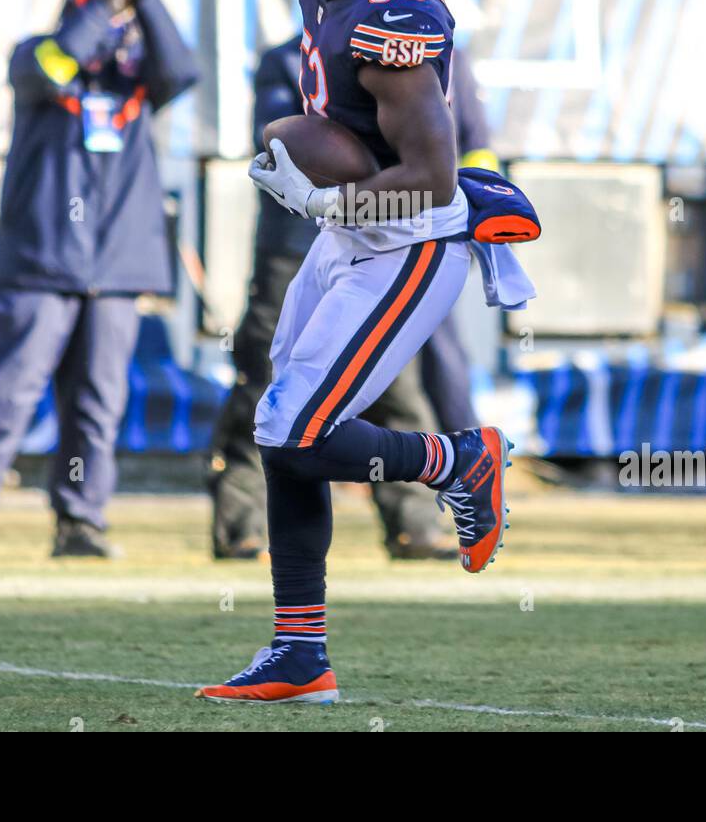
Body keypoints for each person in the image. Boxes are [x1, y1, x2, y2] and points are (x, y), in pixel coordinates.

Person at [78, 0, 536, 703]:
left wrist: (329, 209)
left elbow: (435, 176)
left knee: (295, 427)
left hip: (411, 240)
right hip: (359, 233)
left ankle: (457, 459)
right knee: (279, 423)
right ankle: (300, 655)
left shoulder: (395, 15)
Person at [0, 0, 199, 560]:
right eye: (104, 2)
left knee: (97, 405)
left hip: (114, 270)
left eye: (122, 3)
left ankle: (80, 521)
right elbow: (54, 67)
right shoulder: (38, 56)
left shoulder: (139, 78)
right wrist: (102, 5)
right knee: (2, 396)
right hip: (38, 264)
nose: (116, 15)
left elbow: (184, 70)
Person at [209, 40, 495, 561]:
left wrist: (462, 205)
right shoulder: (286, 58)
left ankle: (415, 519)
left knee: (393, 391)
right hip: (296, 247)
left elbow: (464, 151)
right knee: (270, 392)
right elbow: (286, 148)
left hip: (386, 244)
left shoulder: (422, 53)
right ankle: (243, 524)